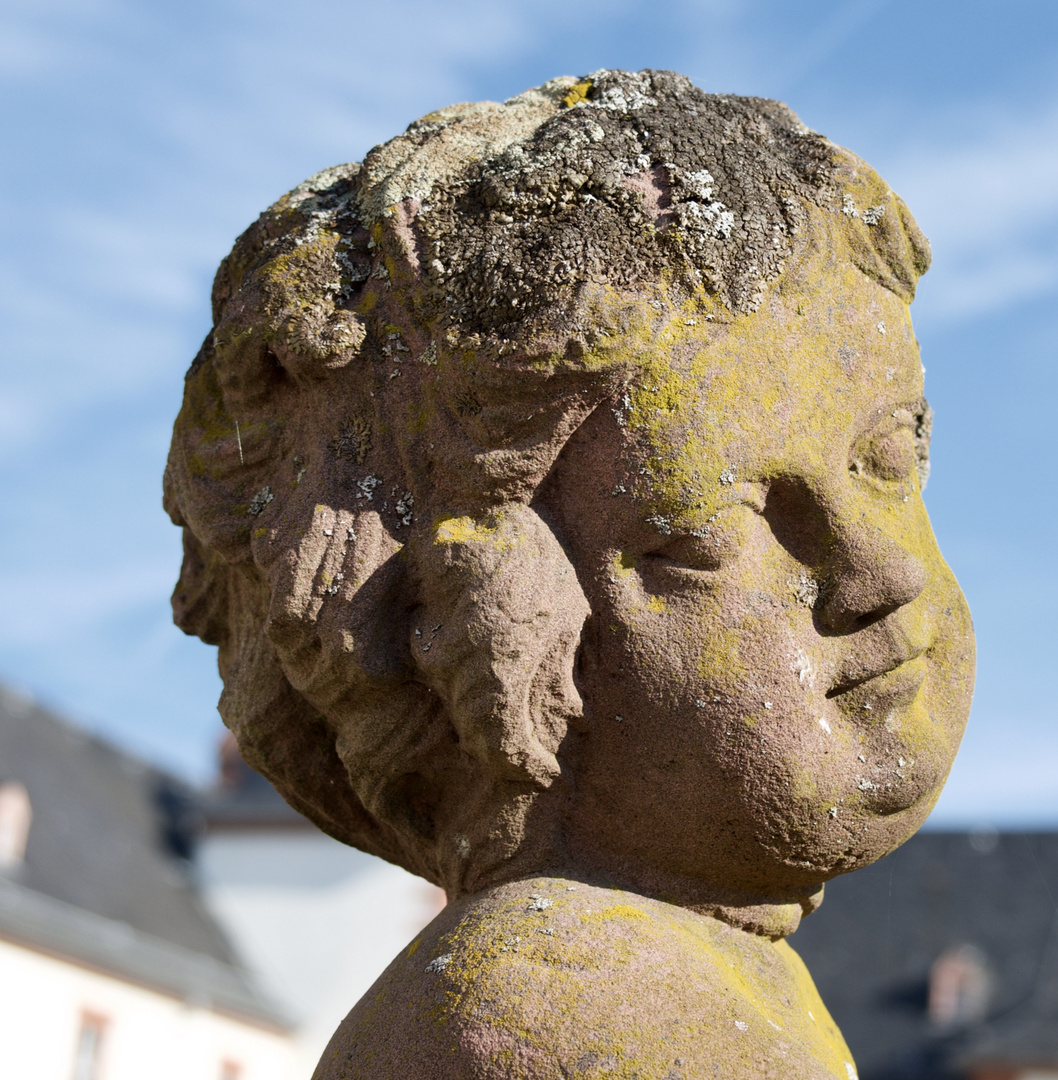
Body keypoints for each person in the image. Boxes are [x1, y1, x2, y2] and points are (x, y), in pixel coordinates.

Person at [165, 69, 975, 1078]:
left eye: (888, 456)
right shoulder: (569, 1005)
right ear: (476, 661)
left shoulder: (678, 968)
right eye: (711, 536)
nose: (876, 571)